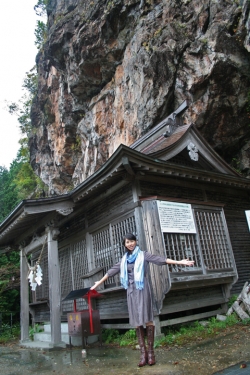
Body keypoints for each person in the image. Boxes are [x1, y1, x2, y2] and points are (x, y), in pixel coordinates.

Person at [91, 232, 195, 367]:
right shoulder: (123, 260)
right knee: (136, 321)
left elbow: (160, 260)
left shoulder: (143, 255)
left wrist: (180, 262)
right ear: (124, 245)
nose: (130, 244)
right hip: (131, 291)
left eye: (131, 241)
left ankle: (151, 353)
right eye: (127, 242)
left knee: (148, 318)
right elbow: (110, 272)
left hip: (142, 288)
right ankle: (143, 354)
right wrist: (97, 284)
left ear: (136, 241)